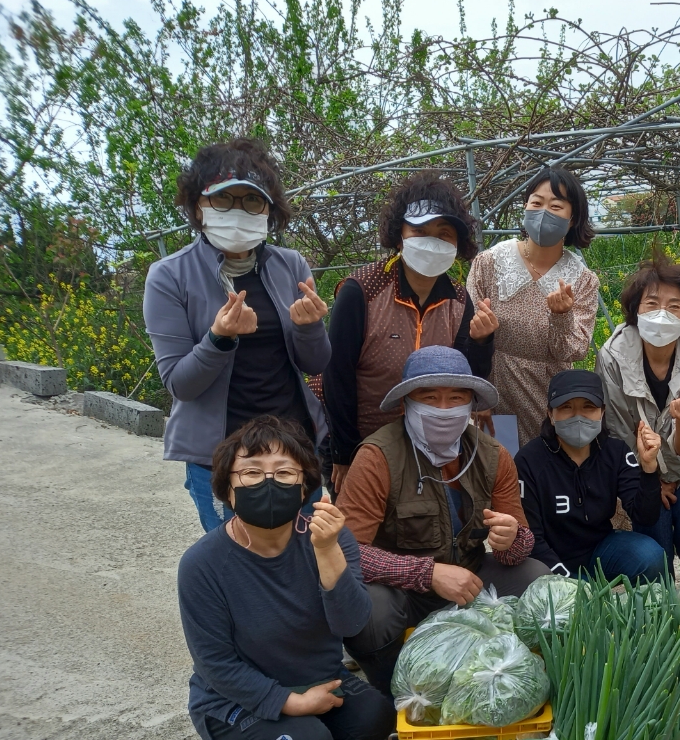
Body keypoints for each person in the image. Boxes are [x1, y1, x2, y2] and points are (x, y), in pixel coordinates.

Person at [177, 415, 394, 740]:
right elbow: (216, 663)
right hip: (235, 699)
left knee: (377, 717)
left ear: (304, 485)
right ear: (226, 487)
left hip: (317, 677)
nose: (268, 483)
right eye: (251, 473)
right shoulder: (202, 564)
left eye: (283, 472)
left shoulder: (328, 535)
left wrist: (327, 550)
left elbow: (352, 624)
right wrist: (293, 704)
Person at [335, 347, 550, 693]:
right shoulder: (377, 457)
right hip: (401, 591)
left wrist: (512, 539)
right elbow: (346, 553)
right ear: (407, 403)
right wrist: (428, 573)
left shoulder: (493, 455)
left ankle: (506, 673)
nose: (444, 409)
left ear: (471, 405)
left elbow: (519, 548)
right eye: (430, 398)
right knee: (369, 609)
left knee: (536, 577)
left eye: (456, 398)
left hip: (468, 577)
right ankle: (393, 688)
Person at [144, 138, 331, 532]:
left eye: (252, 201)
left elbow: (314, 363)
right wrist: (219, 338)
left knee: (305, 558)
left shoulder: (290, 264)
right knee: (236, 564)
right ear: (198, 206)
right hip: (220, 458)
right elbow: (180, 384)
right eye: (224, 200)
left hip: (293, 451)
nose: (239, 211)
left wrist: (309, 326)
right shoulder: (169, 276)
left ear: (268, 210)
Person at [322, 173, 494, 496]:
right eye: (420, 230)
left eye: (444, 234)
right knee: (361, 538)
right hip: (361, 445)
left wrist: (483, 341)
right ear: (399, 235)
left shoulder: (459, 300)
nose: (432, 241)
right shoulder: (361, 291)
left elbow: (467, 378)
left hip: (428, 449)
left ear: (457, 244)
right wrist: (343, 455)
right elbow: (337, 376)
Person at [596, 254, 680, 573]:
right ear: (636, 309)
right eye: (652, 303)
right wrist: (650, 475)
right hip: (640, 468)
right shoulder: (613, 355)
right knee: (654, 537)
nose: (662, 314)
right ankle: (658, 607)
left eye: (674, 306)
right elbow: (616, 428)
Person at [466, 166, 601, 446]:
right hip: (495, 394)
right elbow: (463, 333)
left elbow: (574, 351)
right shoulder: (490, 263)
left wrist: (561, 317)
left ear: (573, 217)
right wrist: (478, 397)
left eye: (556, 206)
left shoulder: (582, 279)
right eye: (536, 203)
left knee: (546, 476)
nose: (543, 212)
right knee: (499, 478)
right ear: (525, 206)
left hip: (550, 398)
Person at [515, 369, 667, 584]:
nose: (578, 416)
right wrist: (569, 583)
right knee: (576, 598)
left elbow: (645, 516)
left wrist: (649, 468)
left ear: (602, 412)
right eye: (566, 407)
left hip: (601, 547)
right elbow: (532, 539)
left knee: (650, 556)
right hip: (550, 558)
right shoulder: (528, 461)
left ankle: (639, 613)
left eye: (589, 407)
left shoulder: (616, 452)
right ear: (550, 414)